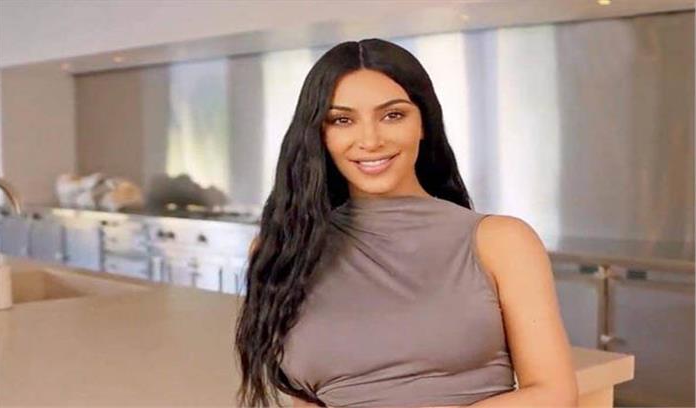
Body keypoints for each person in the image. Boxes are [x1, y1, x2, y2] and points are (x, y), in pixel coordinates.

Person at [234, 38, 578, 408]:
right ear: (321, 134)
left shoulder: (500, 241)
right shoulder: (283, 251)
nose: (370, 140)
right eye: (342, 120)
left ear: (423, 123)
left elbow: (554, 394)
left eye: (392, 115)